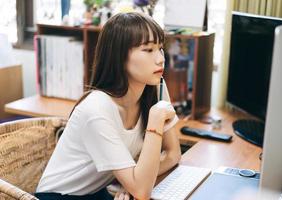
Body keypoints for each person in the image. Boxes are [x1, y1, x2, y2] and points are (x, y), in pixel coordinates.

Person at [35, 12, 181, 200]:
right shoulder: (96, 109)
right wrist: (155, 121)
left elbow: (173, 154)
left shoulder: (156, 88)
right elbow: (143, 192)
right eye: (148, 50)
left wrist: (136, 183)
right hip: (59, 197)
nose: (160, 59)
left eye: (160, 48)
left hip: (97, 192)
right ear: (119, 57)